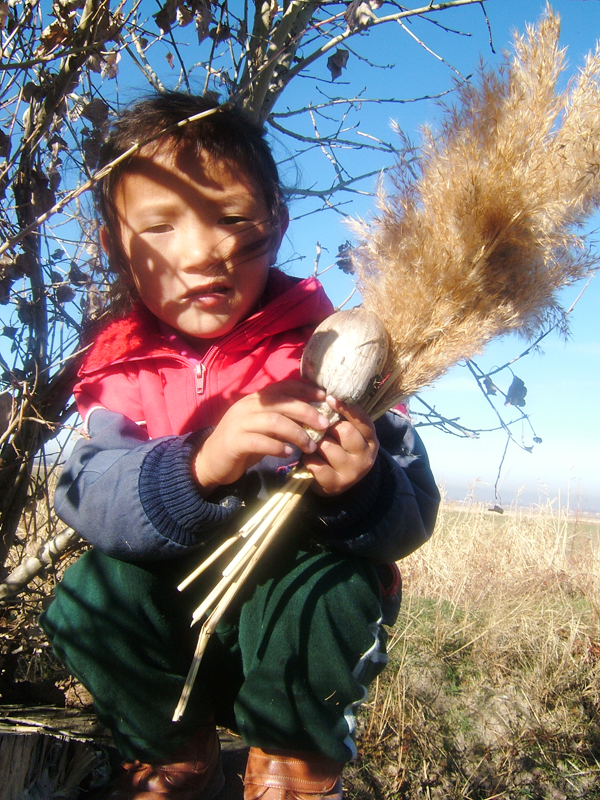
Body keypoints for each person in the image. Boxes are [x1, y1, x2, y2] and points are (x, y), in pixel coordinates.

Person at [40, 92, 440, 800]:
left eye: (231, 219)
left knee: (339, 587)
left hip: (291, 647)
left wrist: (363, 486)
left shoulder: (337, 349)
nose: (203, 253)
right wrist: (198, 467)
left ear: (276, 225)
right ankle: (173, 755)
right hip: (173, 637)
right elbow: (87, 495)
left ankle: (293, 769)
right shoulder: (119, 365)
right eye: (160, 225)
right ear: (113, 244)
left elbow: (412, 513)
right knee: (88, 593)